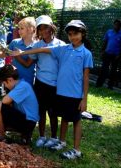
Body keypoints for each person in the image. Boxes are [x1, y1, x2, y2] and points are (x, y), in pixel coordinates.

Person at [12, 20, 93, 159]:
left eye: (76, 34)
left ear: (83, 33)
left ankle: (73, 148)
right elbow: (41, 50)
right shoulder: (65, 49)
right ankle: (59, 141)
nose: (73, 37)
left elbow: (86, 78)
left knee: (72, 119)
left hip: (69, 92)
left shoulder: (82, 52)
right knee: (63, 117)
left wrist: (84, 99)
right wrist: (22, 52)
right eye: (70, 34)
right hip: (58, 91)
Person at [30, 15, 65, 148]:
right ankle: (42, 136)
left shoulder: (61, 45)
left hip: (55, 84)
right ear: (38, 31)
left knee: (53, 112)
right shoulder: (37, 45)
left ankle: (54, 137)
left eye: (46, 27)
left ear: (52, 28)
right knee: (41, 111)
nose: (44, 31)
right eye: (41, 28)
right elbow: (30, 61)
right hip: (40, 83)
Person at [0, 64, 39, 144]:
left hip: (28, 123)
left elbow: (4, 101)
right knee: (4, 108)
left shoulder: (22, 86)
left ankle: (1, 135)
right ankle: (23, 136)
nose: (5, 87)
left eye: (5, 84)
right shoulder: (21, 84)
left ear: (10, 80)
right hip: (27, 120)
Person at [7, 17, 37, 85]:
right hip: (13, 81)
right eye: (19, 29)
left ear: (30, 29)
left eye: (22, 28)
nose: (19, 31)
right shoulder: (15, 42)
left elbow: (27, 65)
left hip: (28, 81)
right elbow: (5, 53)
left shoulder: (36, 45)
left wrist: (17, 55)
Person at [96, 19, 121, 89]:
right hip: (107, 53)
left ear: (120, 26)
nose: (117, 26)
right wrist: (102, 51)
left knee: (113, 71)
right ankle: (99, 84)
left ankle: (110, 86)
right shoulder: (109, 32)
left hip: (116, 55)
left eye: (118, 25)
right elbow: (105, 42)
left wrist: (119, 54)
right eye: (116, 24)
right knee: (104, 69)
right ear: (113, 25)